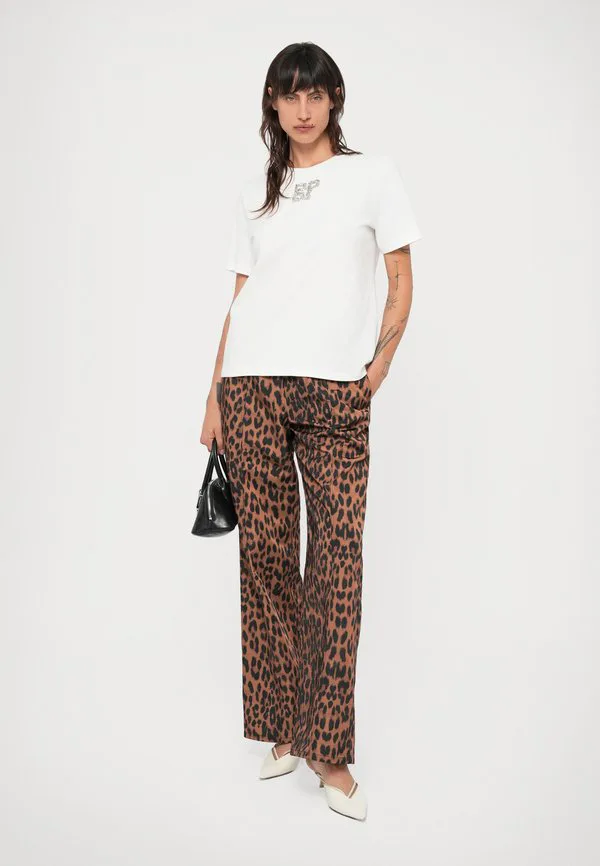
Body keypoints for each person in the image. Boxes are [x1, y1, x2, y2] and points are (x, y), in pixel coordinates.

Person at [199, 41, 422, 821]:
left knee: (336, 564)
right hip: (250, 387)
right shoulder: (256, 196)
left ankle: (328, 749)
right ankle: (285, 728)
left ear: (334, 100)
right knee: (265, 560)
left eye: (315, 94)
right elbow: (241, 296)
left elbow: (401, 278)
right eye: (289, 95)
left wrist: (377, 368)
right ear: (272, 103)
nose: (302, 109)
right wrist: (213, 397)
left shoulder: (372, 176)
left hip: (335, 392)